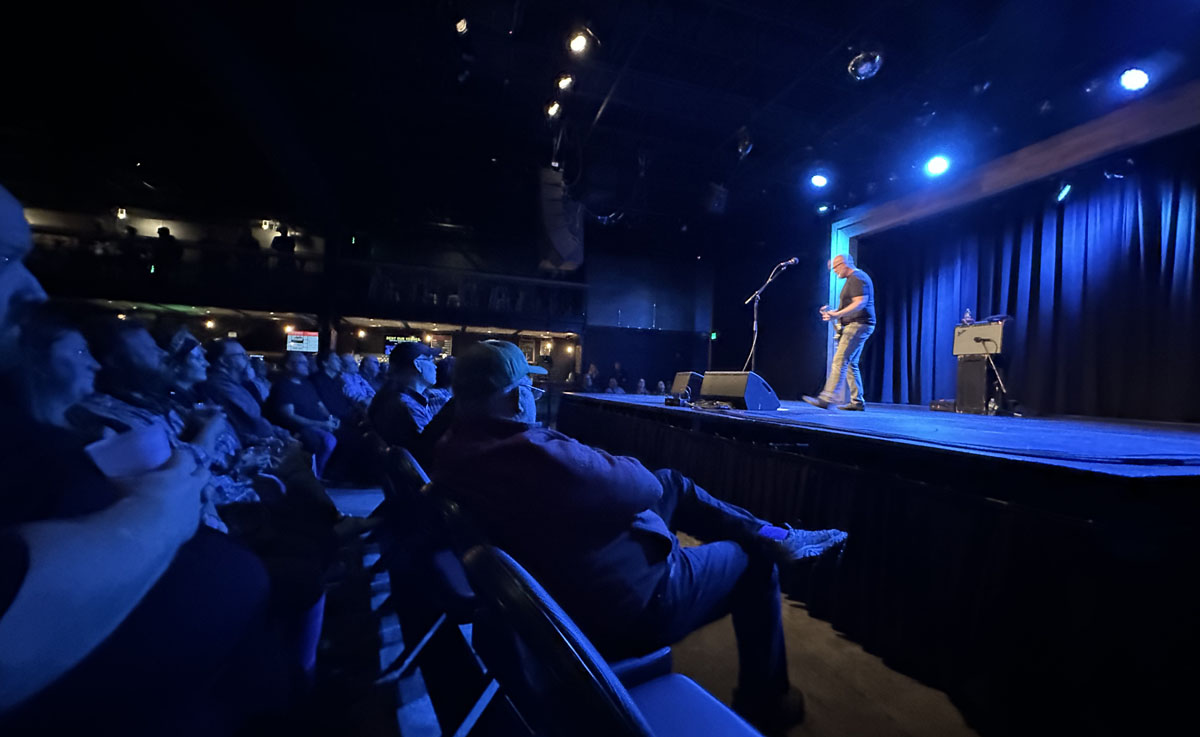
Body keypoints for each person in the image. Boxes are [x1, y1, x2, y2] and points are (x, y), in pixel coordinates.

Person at [434, 340, 849, 733]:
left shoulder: (453, 449)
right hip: (631, 600)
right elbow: (641, 487)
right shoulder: (531, 455)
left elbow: (649, 486)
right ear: (513, 398)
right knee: (753, 561)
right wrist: (598, 459)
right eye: (530, 387)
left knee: (674, 483)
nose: (533, 397)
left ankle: (773, 532)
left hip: (562, 579)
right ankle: (769, 703)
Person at [0, 183, 287, 732]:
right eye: (4, 257)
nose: (34, 290)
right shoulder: (75, 429)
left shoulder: (35, 430)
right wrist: (167, 508)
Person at [803, 253, 876, 411]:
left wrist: (837, 314)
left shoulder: (857, 278)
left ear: (843, 264)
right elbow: (850, 307)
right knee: (850, 364)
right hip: (857, 324)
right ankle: (857, 401)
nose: (835, 272)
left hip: (859, 324)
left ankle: (827, 398)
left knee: (840, 360)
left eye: (835, 268)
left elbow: (860, 303)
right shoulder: (853, 280)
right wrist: (833, 312)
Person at [267, 351, 339, 477]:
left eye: (306, 363)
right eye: (302, 363)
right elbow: (290, 416)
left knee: (338, 435)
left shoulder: (307, 384)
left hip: (319, 424)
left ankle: (323, 474)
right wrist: (322, 424)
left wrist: (331, 418)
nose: (307, 365)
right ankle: (316, 475)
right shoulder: (283, 386)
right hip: (301, 427)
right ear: (289, 365)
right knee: (325, 441)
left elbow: (320, 405)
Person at [309, 353, 357, 422]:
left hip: (348, 416)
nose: (340, 362)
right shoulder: (316, 380)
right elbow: (319, 404)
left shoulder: (339, 379)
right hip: (332, 420)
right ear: (325, 363)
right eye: (336, 359)